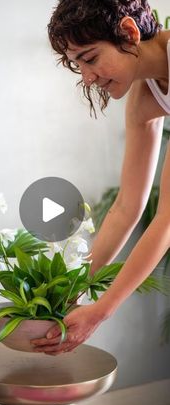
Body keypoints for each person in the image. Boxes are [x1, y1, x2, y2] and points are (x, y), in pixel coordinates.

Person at [31, 0, 170, 355]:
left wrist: (100, 311)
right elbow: (126, 206)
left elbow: (167, 218)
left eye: (90, 58)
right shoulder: (145, 96)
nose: (88, 77)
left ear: (128, 32)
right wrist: (74, 287)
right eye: (78, 65)